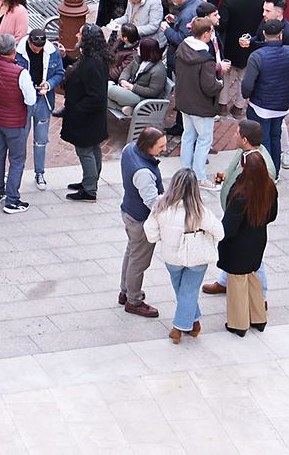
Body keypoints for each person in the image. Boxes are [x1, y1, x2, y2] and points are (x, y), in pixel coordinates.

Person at [143, 168, 222, 343]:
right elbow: (220, 232)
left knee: (183, 291)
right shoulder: (199, 210)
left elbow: (150, 233)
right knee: (188, 292)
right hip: (197, 258)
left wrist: (162, 237)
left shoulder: (161, 206)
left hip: (171, 257)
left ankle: (192, 324)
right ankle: (180, 327)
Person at [219, 152, 277, 336]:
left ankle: (238, 324)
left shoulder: (240, 194)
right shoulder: (269, 187)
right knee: (253, 278)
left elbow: (230, 227)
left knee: (237, 282)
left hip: (238, 244)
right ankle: (259, 318)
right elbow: (273, 215)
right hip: (258, 239)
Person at [115, 126, 168, 317]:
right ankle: (134, 301)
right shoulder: (143, 172)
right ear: (147, 147)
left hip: (128, 211)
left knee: (131, 253)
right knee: (139, 261)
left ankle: (126, 290)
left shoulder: (129, 149)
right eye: (160, 146)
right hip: (140, 220)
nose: (164, 148)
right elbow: (153, 202)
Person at [56, 24, 110, 201]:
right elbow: (79, 67)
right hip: (92, 117)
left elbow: (96, 96)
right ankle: (90, 181)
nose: (77, 35)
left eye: (80, 33)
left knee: (85, 150)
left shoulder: (92, 63)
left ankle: (89, 189)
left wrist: (77, 109)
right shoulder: (94, 58)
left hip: (87, 117)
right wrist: (66, 58)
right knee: (93, 149)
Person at [0, 33, 35, 213]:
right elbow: (30, 100)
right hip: (15, 122)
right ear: (14, 50)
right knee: (17, 159)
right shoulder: (21, 73)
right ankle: (12, 200)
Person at [241, 19, 289, 175]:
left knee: (264, 139)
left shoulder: (257, 56)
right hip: (282, 104)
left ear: (263, 34)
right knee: (276, 136)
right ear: (281, 35)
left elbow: (247, 84)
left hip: (261, 105)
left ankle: (266, 174)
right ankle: (275, 172)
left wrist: (247, 96)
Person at [173, 19, 226, 178]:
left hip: (184, 101)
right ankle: (200, 176)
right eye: (211, 31)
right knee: (204, 140)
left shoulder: (183, 47)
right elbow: (209, 87)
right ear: (205, 34)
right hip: (201, 106)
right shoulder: (206, 59)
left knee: (188, 136)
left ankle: (185, 171)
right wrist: (220, 83)